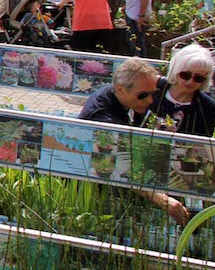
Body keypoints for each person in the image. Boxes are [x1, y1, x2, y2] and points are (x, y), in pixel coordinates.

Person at [79, 58, 189, 223]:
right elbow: (121, 167)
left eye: (154, 93)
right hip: (90, 190)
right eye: (143, 95)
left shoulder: (119, 97)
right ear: (121, 89)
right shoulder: (105, 120)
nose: (150, 100)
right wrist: (163, 200)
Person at [150, 44, 215, 136]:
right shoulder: (153, 88)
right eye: (185, 75)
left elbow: (201, 145)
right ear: (176, 71)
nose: (190, 81)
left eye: (198, 78)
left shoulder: (208, 107)